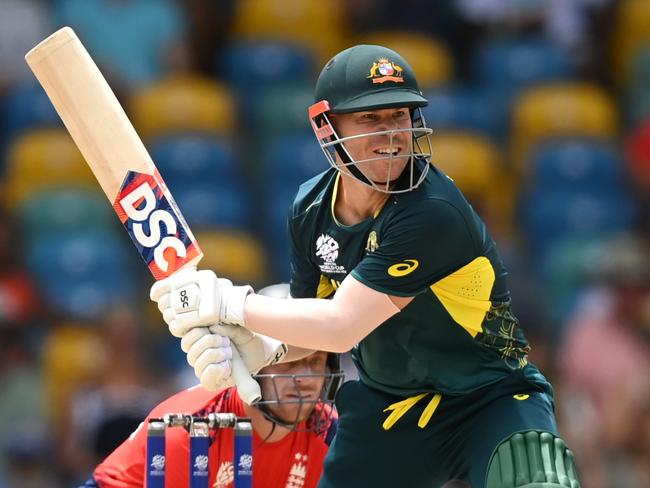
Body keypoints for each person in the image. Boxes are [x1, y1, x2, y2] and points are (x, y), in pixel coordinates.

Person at [150, 45, 581, 487]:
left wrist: (230, 305)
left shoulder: (433, 211)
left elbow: (341, 326)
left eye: (400, 116)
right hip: (391, 406)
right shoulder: (310, 209)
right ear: (325, 127)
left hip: (491, 398)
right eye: (371, 119)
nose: (392, 133)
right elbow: (312, 333)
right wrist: (249, 347)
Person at [80, 284, 342, 488]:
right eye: (288, 363)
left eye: (316, 362)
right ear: (253, 362)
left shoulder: (329, 432)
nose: (306, 379)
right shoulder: (191, 430)